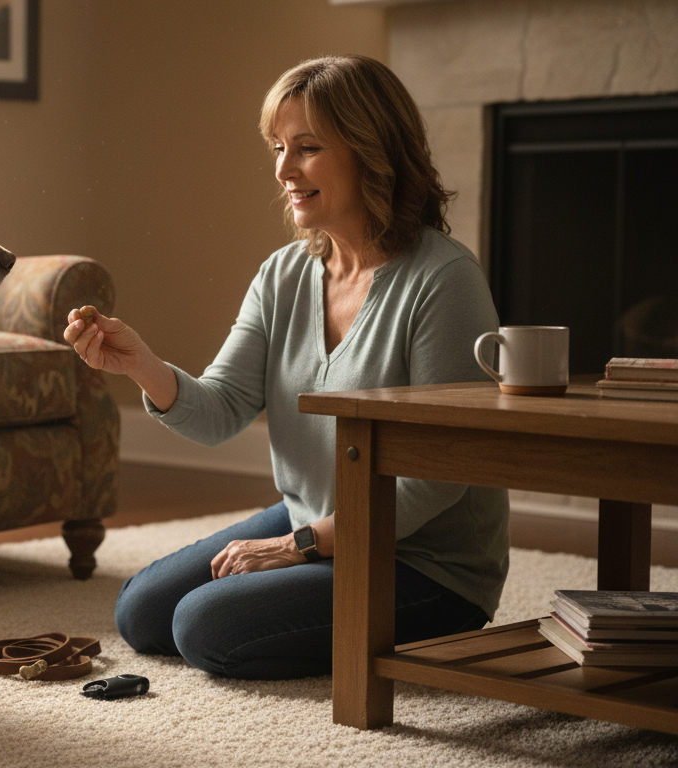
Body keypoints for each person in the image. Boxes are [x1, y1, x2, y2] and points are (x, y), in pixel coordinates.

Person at [64, 55, 509, 680]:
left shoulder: (444, 280)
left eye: (305, 147)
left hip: (421, 561)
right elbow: (220, 410)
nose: (282, 169)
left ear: (370, 151)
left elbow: (436, 480)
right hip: (319, 520)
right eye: (278, 146)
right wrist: (141, 364)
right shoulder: (285, 274)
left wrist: (294, 547)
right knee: (141, 612)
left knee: (202, 626)